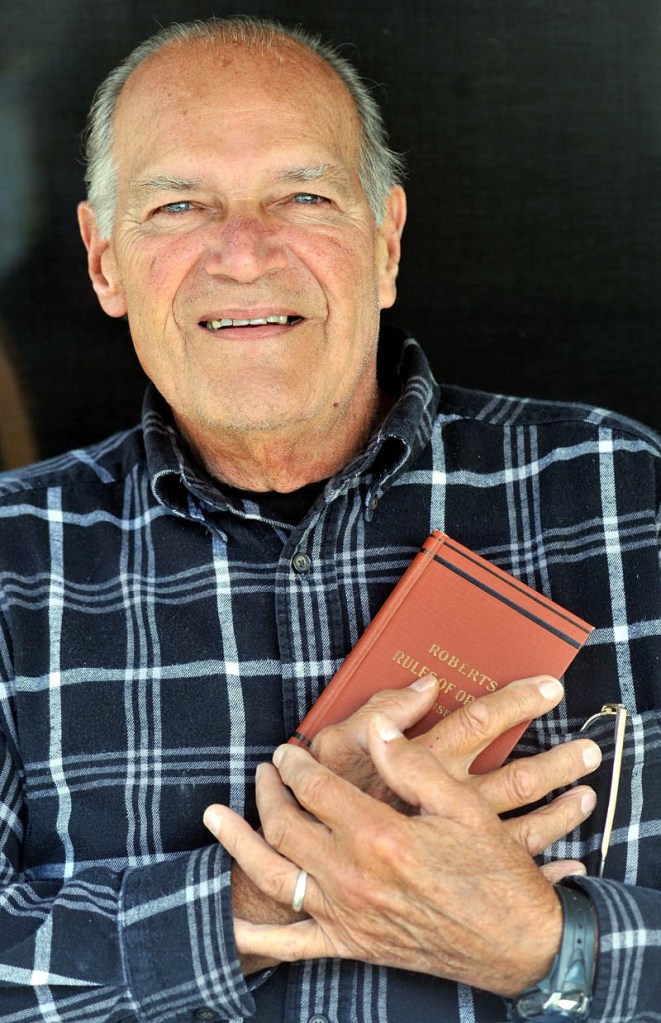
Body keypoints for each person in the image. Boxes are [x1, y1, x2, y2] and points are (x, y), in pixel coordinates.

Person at [0, 15, 659, 1023]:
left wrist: (548, 945)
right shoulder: (13, 557)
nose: (243, 253)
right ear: (103, 264)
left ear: (386, 243)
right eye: (178, 205)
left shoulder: (625, 494)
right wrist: (262, 891)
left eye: (302, 196)